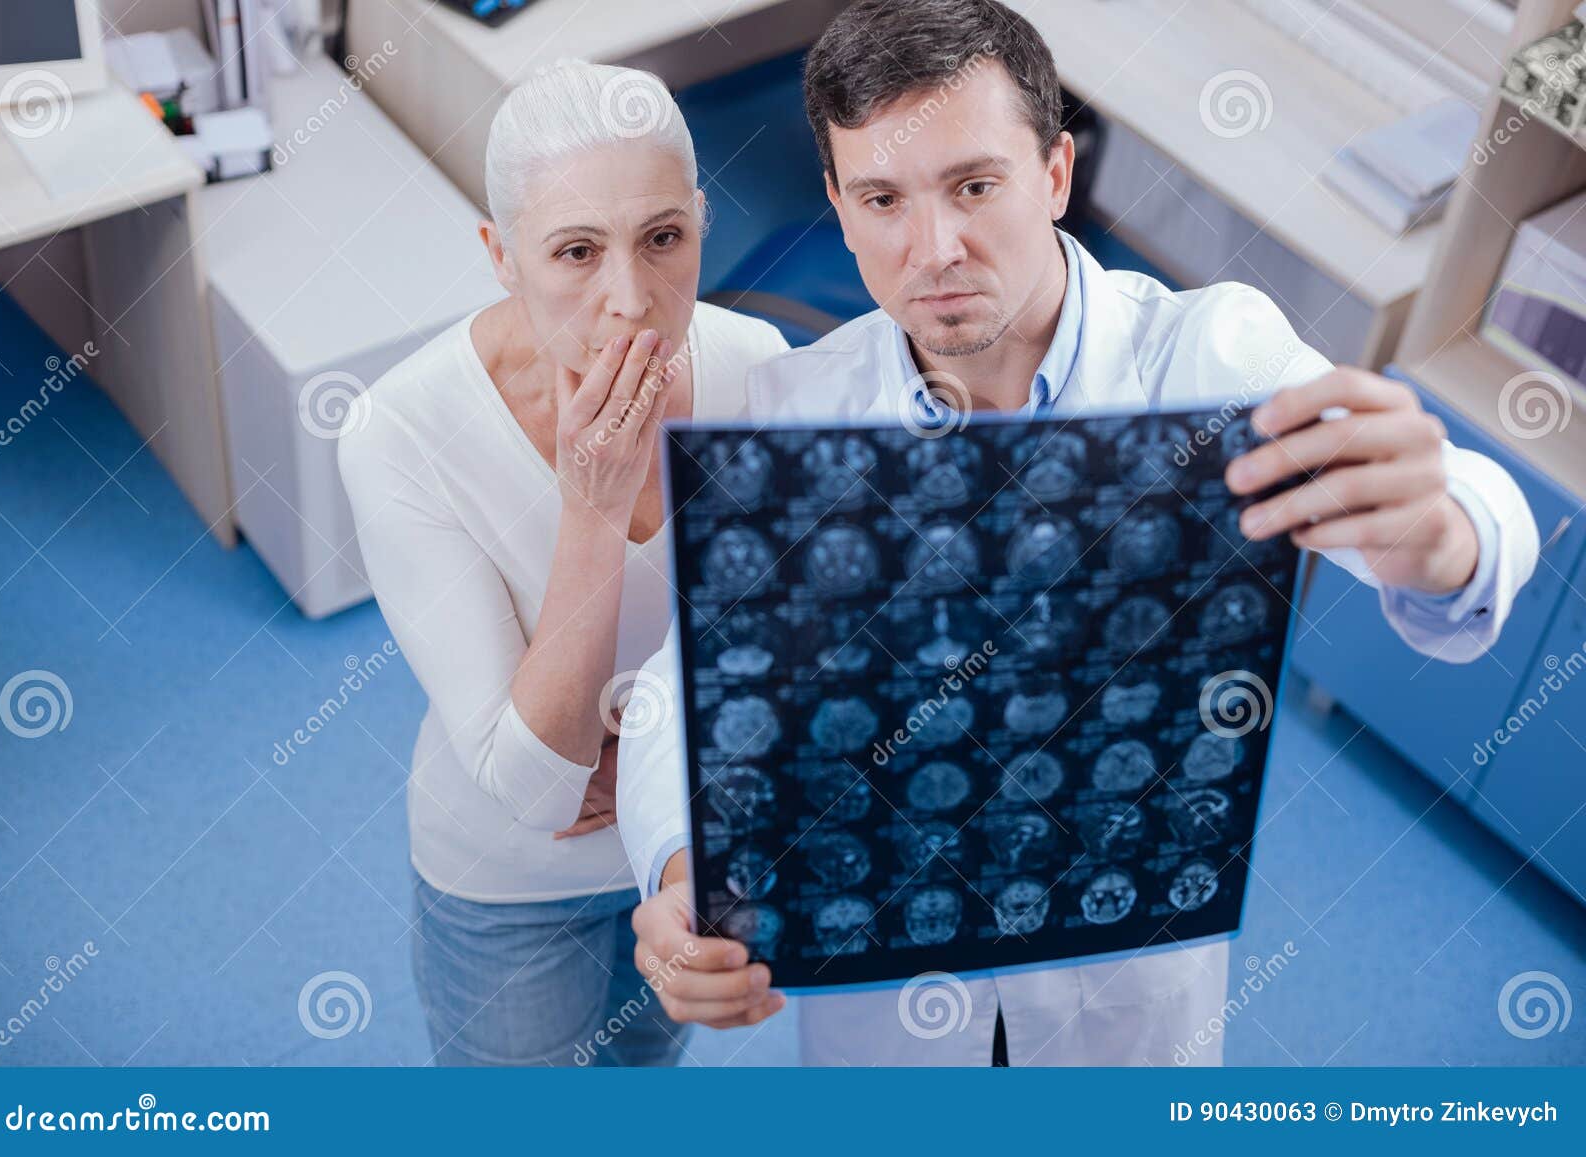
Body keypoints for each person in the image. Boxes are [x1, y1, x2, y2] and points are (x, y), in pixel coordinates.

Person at [616, 0, 1540, 1065]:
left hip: (1121, 998)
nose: (934, 251)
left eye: (974, 185)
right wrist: (680, 865)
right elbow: (680, 680)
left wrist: (1436, 532)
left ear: (1055, 172)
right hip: (889, 1003)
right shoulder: (789, 411)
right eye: (881, 199)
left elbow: (1477, 504)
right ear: (835, 202)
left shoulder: (1207, 362)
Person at [336, 59, 788, 1066]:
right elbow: (535, 790)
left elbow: (792, 653)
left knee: (638, 1082)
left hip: (682, 848)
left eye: (662, 239)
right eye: (575, 251)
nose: (630, 299)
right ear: (502, 254)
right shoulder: (398, 431)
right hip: (509, 882)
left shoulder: (761, 368)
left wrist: (641, 766)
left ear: (701, 224)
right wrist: (591, 504)